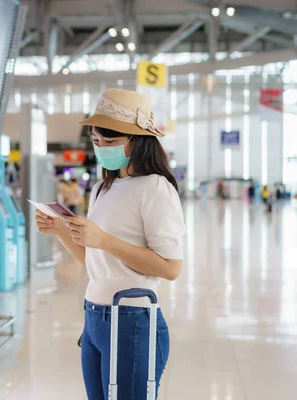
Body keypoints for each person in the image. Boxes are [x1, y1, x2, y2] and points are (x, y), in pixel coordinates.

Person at [34, 89, 185, 399]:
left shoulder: (155, 188)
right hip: (94, 316)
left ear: (137, 140)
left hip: (130, 318)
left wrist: (104, 240)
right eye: (96, 141)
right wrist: (62, 231)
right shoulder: (104, 187)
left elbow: (170, 268)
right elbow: (97, 264)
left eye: (110, 142)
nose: (101, 148)